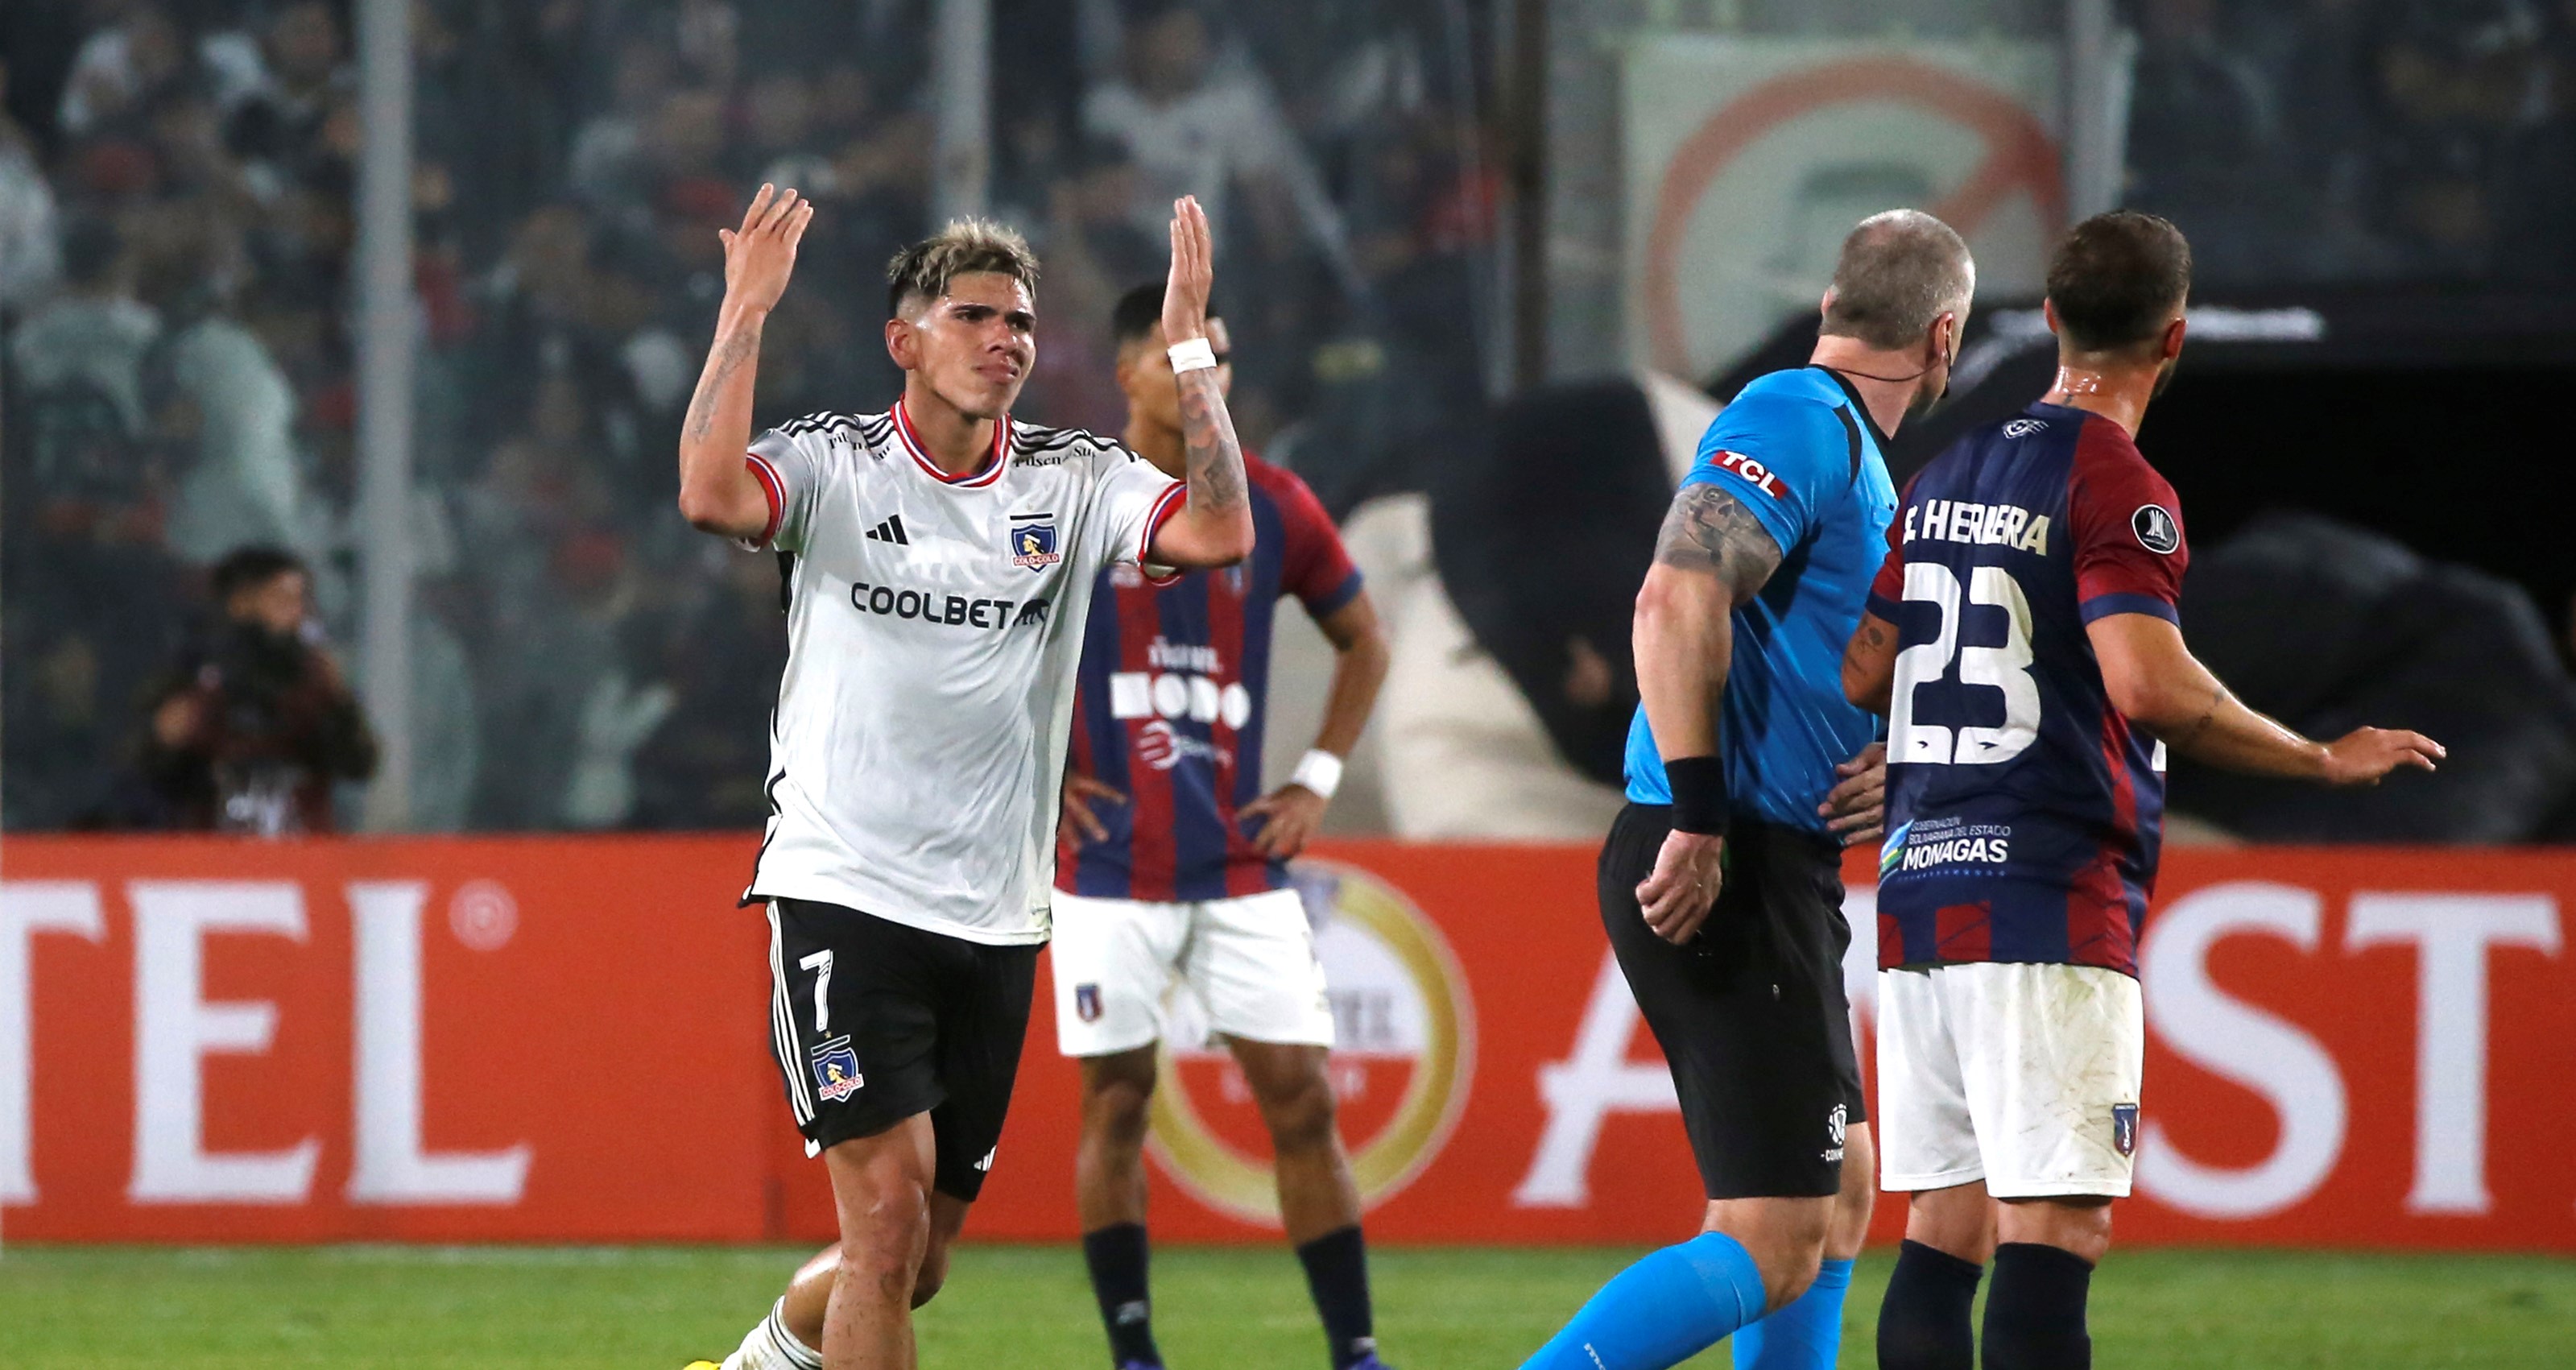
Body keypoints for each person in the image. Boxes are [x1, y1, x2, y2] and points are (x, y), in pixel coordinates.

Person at [1841, 211, 2444, 1370]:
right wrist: (2317, 757)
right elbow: (2147, 685)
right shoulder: (2117, 483)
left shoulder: (1943, 470)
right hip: (2044, 892)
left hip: (1919, 894)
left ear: (2052, 321)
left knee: (1940, 1227)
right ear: (2172, 339)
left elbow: (1865, 667)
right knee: (2055, 1226)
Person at [674, 185, 1254, 1370]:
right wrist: (745, 306)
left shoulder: (1075, 478)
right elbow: (709, 493)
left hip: (994, 916)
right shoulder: (834, 466)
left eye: (1022, 324)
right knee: (882, 1228)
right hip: (845, 890)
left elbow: (1217, 533)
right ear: (906, 342)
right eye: (976, 316)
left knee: (912, 1265)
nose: (1007, 341)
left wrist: (1188, 346)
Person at [1519, 209, 1974, 1370]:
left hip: (1776, 860)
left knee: (1842, 1194)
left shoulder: (1853, 455)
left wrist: (1895, 752)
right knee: (1771, 1238)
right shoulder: (1794, 415)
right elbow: (1673, 600)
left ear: (1830, 306)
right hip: (1721, 853)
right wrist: (1700, 814)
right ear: (1942, 338)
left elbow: (1811, 654)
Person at [1051, 283, 1393, 1370]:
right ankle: (1135, 1353)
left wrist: (1316, 777)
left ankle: (1355, 1353)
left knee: (1299, 1100)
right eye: (1180, 351)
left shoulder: (1275, 507)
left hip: (1238, 867)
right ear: (1126, 374)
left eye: (1221, 354)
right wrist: (1034, 777)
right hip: (1104, 870)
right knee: (1116, 1103)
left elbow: (1364, 642)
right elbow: (977, 640)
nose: (1208, 373)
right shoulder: (1062, 499)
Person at [133, 546, 378, 834]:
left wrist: (338, 705)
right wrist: (169, 740)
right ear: (241, 603)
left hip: (302, 854)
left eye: (302, 602)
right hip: (214, 858)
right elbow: (154, 778)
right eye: (283, 600)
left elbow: (359, 765)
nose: (297, 614)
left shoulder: (314, 678)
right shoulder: (193, 678)